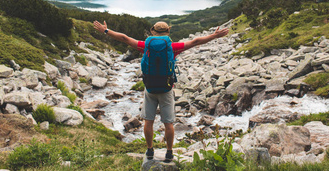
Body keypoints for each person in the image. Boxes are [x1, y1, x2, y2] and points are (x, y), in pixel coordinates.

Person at [93, 20, 229, 162]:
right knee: (168, 123)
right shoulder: (172, 47)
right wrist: (214, 36)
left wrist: (106, 31)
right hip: (166, 89)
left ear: (153, 32)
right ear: (167, 32)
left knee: (148, 121)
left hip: (150, 89)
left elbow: (125, 38)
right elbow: (195, 42)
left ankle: (150, 150)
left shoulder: (146, 46)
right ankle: (169, 153)